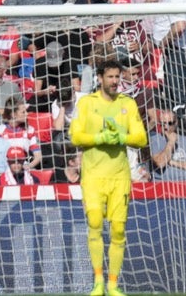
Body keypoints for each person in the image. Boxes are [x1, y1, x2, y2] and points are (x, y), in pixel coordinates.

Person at [69, 59, 148, 296]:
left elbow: (142, 138)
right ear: (100, 78)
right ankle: (98, 282)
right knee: (94, 223)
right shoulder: (86, 103)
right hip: (93, 176)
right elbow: (75, 136)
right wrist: (99, 138)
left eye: (117, 77)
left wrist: (121, 138)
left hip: (119, 177)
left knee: (118, 230)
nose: (115, 81)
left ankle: (113, 284)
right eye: (111, 77)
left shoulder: (128, 103)